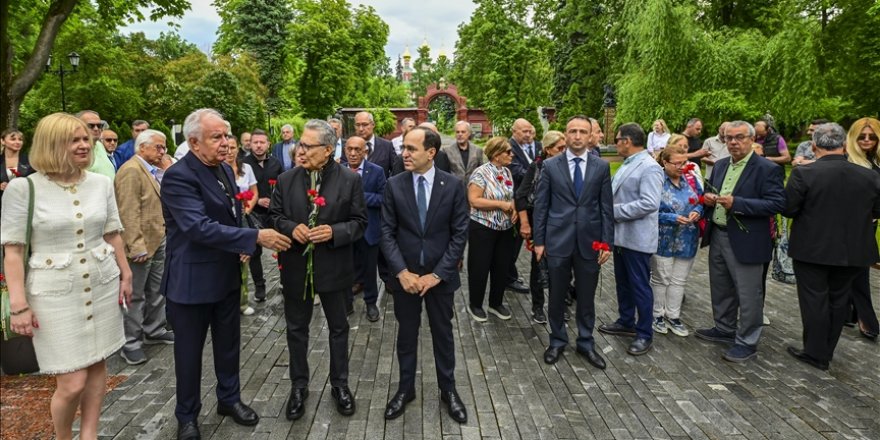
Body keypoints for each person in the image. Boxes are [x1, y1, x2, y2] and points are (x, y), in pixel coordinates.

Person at [160, 108, 292, 440]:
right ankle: (187, 416)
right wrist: (255, 237)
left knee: (229, 346)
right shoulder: (179, 176)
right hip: (191, 283)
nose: (226, 143)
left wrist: (243, 242)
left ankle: (229, 399)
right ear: (193, 142)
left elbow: (232, 213)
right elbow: (197, 227)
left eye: (228, 135)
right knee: (189, 355)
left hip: (226, 275)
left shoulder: (222, 169)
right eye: (216, 137)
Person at [2, 112, 132, 440]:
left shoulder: (101, 183)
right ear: (51, 144)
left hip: (102, 285)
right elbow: (13, 251)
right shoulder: (23, 189)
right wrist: (18, 305)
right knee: (71, 381)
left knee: (97, 365)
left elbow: (113, 233)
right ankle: (63, 436)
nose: (84, 145)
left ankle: (89, 434)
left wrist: (126, 274)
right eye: (74, 140)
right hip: (54, 295)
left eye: (86, 139)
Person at [268, 119, 366, 421]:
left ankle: (340, 385)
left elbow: (360, 223)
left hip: (335, 269)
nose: (301, 149)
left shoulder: (350, 180)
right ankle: (299, 386)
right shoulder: (287, 180)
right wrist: (291, 227)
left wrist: (335, 232)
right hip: (297, 267)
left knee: (338, 328)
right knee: (297, 330)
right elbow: (274, 215)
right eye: (300, 143)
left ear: (327, 150)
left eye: (308, 146)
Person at [380, 126, 469, 423]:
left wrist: (438, 275)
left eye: (411, 149)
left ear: (431, 153)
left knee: (443, 335)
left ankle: (448, 390)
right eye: (403, 148)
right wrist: (402, 272)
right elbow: (387, 233)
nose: (404, 153)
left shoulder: (453, 185)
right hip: (405, 279)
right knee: (406, 335)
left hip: (439, 280)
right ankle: (406, 389)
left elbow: (459, 234)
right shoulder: (394, 185)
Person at [783, 122, 880, 370]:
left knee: (814, 300)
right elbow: (877, 211)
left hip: (812, 249)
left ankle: (816, 353)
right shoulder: (869, 176)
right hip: (853, 250)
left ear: (814, 146)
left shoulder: (804, 173)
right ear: (845, 145)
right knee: (839, 300)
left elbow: (789, 208)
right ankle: (825, 350)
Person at [696, 120, 786, 363]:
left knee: (748, 294)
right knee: (721, 286)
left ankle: (747, 341)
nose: (733, 142)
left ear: (752, 139)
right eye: (729, 138)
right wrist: (707, 199)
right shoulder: (722, 164)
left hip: (747, 240)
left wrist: (738, 204)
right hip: (718, 234)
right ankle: (724, 328)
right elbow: (709, 190)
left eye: (739, 137)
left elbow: (778, 204)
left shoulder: (767, 169)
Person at [533, 116, 613, 368]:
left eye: (582, 131)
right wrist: (539, 241)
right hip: (557, 240)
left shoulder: (601, 167)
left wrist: (607, 242)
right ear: (565, 135)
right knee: (556, 295)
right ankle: (557, 341)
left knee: (587, 297)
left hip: (590, 242)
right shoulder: (550, 166)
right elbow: (541, 205)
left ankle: (586, 342)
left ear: (590, 136)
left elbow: (606, 208)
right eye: (572, 131)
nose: (577, 136)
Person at [597, 123, 663, 356]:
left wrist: (611, 212)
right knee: (623, 283)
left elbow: (649, 203)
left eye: (617, 139)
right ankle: (626, 321)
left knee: (639, 286)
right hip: (621, 237)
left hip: (637, 238)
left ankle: (644, 333)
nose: (615, 143)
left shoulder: (650, 167)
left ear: (627, 140)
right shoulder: (629, 163)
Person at [114, 129, 175, 365]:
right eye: (158, 147)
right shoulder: (130, 170)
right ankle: (130, 342)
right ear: (142, 147)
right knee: (135, 294)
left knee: (158, 290)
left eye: (164, 147)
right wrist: (135, 245)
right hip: (140, 244)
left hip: (158, 238)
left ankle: (154, 329)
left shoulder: (149, 169)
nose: (163, 151)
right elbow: (127, 211)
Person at [651, 148, 703, 337]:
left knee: (679, 280)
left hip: (687, 238)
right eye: (677, 163)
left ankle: (673, 316)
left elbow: (701, 200)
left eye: (684, 163)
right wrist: (672, 218)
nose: (682, 167)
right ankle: (657, 315)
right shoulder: (656, 181)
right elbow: (649, 210)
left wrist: (697, 211)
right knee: (661, 278)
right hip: (663, 238)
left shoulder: (691, 179)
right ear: (665, 162)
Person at [515, 130, 566, 324]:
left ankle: (559, 305)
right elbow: (521, 196)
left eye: (565, 148)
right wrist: (525, 223)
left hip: (561, 224)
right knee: (538, 267)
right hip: (540, 223)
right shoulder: (536, 167)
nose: (563, 151)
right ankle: (538, 307)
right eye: (559, 148)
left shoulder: (567, 167)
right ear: (547, 150)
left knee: (562, 267)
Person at [466, 136, 519, 321]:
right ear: (497, 154)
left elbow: (510, 194)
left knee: (501, 266)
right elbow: (474, 200)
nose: (512, 154)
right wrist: (500, 205)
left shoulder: (506, 172)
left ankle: (496, 303)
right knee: (480, 267)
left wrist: (513, 208)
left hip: (504, 228)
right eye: (508, 152)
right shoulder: (480, 173)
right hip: (483, 227)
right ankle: (476, 304)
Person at [343, 136, 386, 322]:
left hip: (369, 230)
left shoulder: (376, 172)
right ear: (345, 150)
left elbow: (384, 199)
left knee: (370, 270)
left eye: (357, 150)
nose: (353, 153)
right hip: (344, 231)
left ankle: (371, 303)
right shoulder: (337, 171)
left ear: (365, 151)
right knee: (345, 268)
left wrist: (358, 196)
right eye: (349, 149)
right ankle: (346, 303)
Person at [845, 117, 880, 341]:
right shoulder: (845, 161)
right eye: (862, 136)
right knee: (849, 271)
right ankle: (859, 315)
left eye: (872, 136)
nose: (867, 140)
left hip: (868, 224)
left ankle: (862, 316)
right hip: (842, 224)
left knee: (858, 271)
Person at [242, 129, 283, 302]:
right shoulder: (243, 164)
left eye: (262, 142)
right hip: (254, 213)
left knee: (281, 246)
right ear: (250, 144)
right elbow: (241, 189)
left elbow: (282, 186)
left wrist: (274, 200)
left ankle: (284, 280)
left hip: (274, 212)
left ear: (268, 144)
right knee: (255, 251)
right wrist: (256, 201)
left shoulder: (276, 163)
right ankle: (260, 286)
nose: (258, 146)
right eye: (255, 142)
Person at [224, 135, 259, 316]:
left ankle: (243, 301)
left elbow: (254, 192)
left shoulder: (246, 168)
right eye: (226, 147)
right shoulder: (218, 170)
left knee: (244, 258)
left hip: (243, 218)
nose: (229, 151)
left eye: (232, 147)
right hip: (224, 221)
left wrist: (247, 208)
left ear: (238, 148)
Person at [505, 118, 540, 294]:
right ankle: (508, 278)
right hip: (517, 202)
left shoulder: (538, 146)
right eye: (523, 131)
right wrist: (539, 175)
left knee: (534, 240)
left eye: (529, 131)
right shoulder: (509, 148)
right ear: (514, 131)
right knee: (513, 243)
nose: (528, 134)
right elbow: (516, 172)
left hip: (535, 203)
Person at [1, 128, 35, 212]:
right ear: (2, 141)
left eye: (20, 139)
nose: (17, 142)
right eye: (13, 139)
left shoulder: (30, 160)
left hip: (23, 206)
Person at [441, 120, 485, 185]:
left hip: (472, 189)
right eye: (457, 132)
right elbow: (444, 173)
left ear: (469, 133)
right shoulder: (446, 151)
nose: (460, 134)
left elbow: (481, 171)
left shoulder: (477, 150)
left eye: (463, 132)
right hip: (454, 189)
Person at [76, 110, 115, 179]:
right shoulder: (76, 150)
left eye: (99, 125)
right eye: (91, 126)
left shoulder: (100, 145)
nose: (96, 129)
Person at [354, 111, 395, 176]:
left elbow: (395, 171)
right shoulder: (349, 147)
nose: (361, 129)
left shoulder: (387, 146)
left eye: (365, 124)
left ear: (373, 124)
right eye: (358, 125)